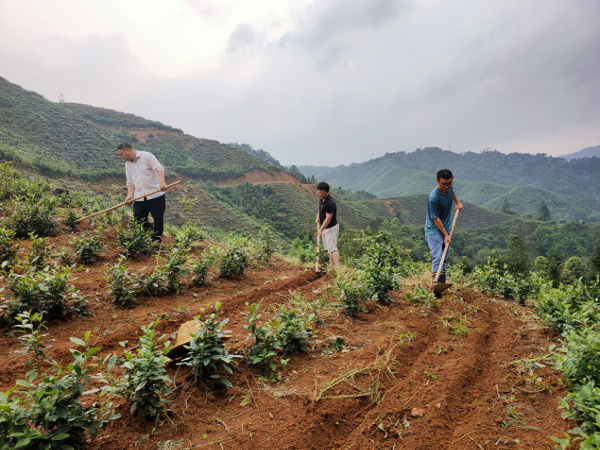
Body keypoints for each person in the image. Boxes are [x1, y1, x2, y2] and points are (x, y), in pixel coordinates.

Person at [117, 142, 168, 243]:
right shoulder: (127, 165)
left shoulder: (147, 156)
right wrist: (130, 195)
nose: (122, 157)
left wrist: (162, 183)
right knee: (138, 219)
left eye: (121, 154)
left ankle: (156, 241)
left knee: (158, 219)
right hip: (139, 197)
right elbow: (130, 182)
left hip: (155, 195)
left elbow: (159, 168)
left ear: (127, 150)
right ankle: (142, 240)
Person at [425, 169, 463, 293]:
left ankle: (442, 285)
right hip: (434, 231)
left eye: (449, 184)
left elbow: (452, 192)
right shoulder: (433, 198)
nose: (446, 187)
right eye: (443, 184)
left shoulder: (449, 189)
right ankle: (437, 285)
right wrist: (446, 235)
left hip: (445, 228)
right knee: (437, 256)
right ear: (437, 182)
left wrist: (457, 203)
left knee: (444, 256)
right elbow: (436, 219)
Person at [316, 181, 340, 270]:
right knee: (329, 248)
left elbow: (328, 218)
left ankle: (337, 267)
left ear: (327, 192)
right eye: (319, 193)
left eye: (322, 193)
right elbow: (320, 208)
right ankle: (331, 265)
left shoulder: (330, 203)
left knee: (333, 248)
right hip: (325, 228)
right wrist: (318, 216)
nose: (320, 195)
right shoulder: (321, 199)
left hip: (331, 228)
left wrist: (320, 230)